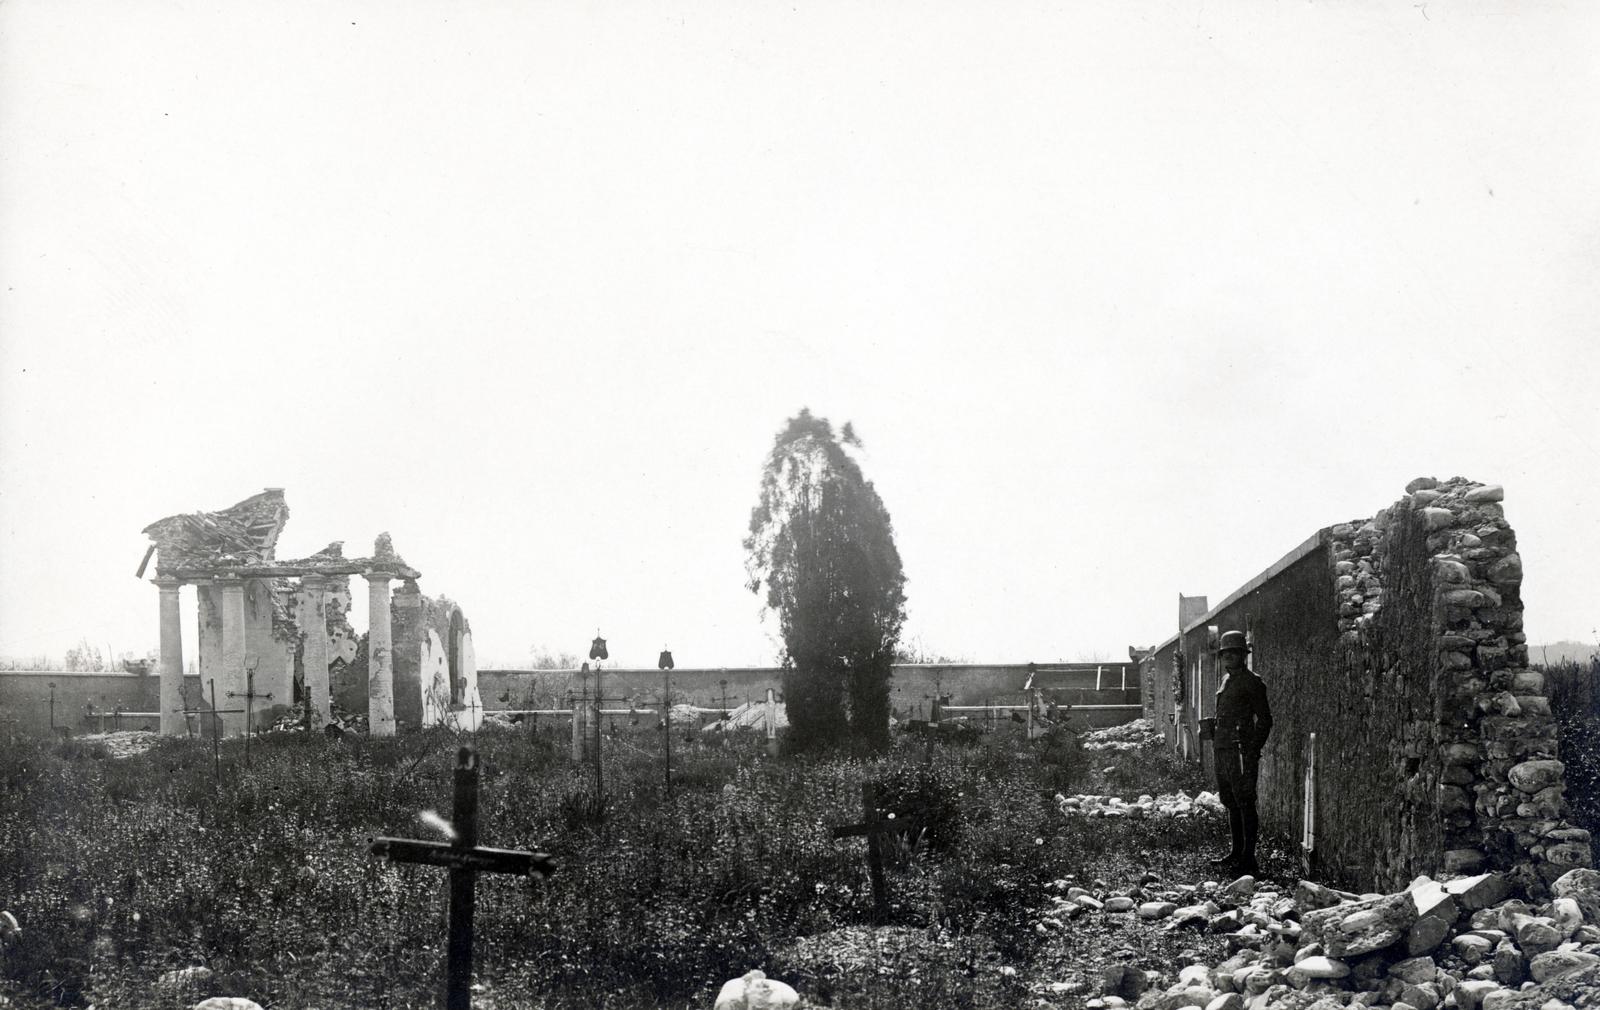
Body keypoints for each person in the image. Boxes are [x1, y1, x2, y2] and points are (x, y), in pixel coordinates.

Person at [1208, 629, 1272, 875]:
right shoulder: (1226, 681)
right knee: (1230, 801)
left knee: (1245, 801)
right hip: (1223, 749)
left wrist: (1253, 748)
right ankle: (1236, 853)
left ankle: (1249, 859)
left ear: (1243, 655)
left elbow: (1265, 719)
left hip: (1240, 751)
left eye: (1233, 654)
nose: (1228, 658)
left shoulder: (1252, 682)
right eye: (1225, 654)